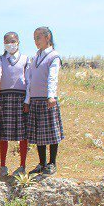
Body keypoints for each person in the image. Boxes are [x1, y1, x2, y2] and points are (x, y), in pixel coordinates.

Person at [25, 26, 64, 175]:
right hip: (35, 99)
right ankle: (41, 163)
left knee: (51, 132)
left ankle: (52, 163)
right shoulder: (35, 57)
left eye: (38, 38)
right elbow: (29, 79)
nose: (36, 41)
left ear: (47, 38)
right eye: (34, 38)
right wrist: (28, 100)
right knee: (39, 134)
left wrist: (51, 96)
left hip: (47, 99)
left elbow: (53, 77)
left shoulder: (53, 56)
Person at [0, 32, 29, 177]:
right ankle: (2, 165)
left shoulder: (25, 59)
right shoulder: (0, 59)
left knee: (23, 134)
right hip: (5, 97)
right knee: (4, 134)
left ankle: (23, 165)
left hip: (21, 98)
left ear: (18, 42)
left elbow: (29, 80)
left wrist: (27, 100)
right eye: (7, 41)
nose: (10, 44)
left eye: (12, 41)